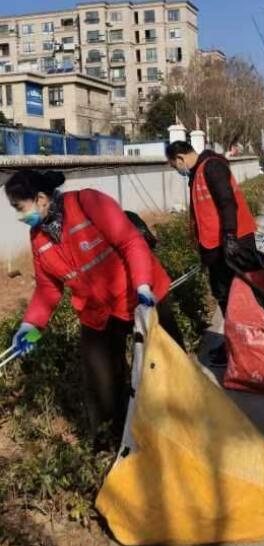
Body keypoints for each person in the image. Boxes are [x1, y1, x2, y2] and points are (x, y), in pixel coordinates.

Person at [5, 170, 183, 447]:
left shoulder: (88, 203)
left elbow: (131, 242)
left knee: (169, 363)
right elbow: (48, 288)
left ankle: (184, 425)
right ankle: (111, 443)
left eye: (19, 207)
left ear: (40, 198)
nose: (19, 215)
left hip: (139, 296)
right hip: (97, 311)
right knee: (101, 382)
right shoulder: (38, 237)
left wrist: (143, 287)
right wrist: (31, 326)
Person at [166, 141, 259, 365]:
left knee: (234, 294)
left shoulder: (212, 167)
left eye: (174, 166)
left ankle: (243, 346)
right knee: (224, 293)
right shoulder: (198, 172)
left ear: (180, 158)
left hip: (231, 242)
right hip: (216, 245)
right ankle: (236, 342)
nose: (176, 170)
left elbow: (227, 202)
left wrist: (229, 237)